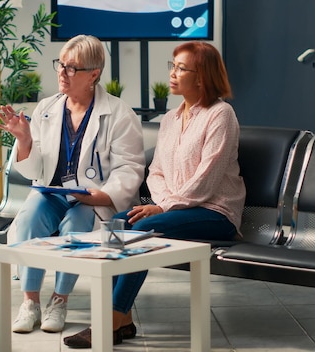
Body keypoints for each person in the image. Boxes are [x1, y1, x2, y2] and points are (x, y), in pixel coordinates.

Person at [63, 41, 246, 348]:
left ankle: (110, 320)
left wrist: (163, 209)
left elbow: (207, 179)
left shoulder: (221, 115)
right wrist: (163, 204)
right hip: (175, 210)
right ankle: (123, 320)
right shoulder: (171, 118)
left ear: (201, 77)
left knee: (145, 229)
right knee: (119, 224)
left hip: (216, 212)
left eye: (181, 68)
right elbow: (156, 171)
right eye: (172, 67)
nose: (172, 74)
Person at [0, 34, 145, 334]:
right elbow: (33, 168)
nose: (62, 73)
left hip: (91, 200)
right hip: (51, 192)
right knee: (28, 219)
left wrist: (102, 196)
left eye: (72, 68)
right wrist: (24, 139)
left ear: (94, 74)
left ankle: (59, 300)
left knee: (74, 227)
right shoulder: (46, 108)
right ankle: (30, 302)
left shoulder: (118, 113)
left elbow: (130, 168)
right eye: (61, 65)